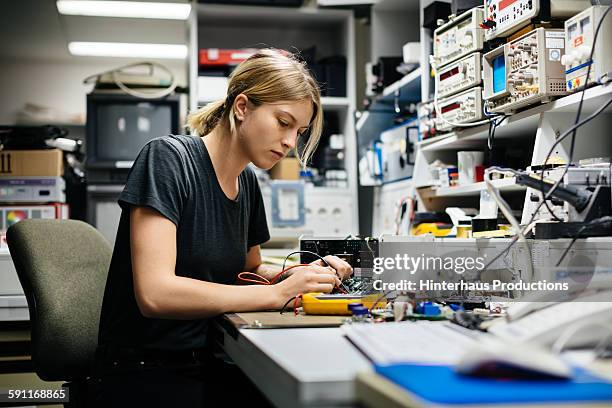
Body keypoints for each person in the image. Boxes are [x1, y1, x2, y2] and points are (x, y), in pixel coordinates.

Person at [92, 49, 353, 407]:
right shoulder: (168, 160)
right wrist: (278, 294)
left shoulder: (247, 183)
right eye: (283, 122)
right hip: (146, 372)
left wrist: (303, 274)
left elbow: (250, 269)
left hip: (212, 359)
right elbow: (156, 294)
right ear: (242, 107)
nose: (292, 142)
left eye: (300, 131)